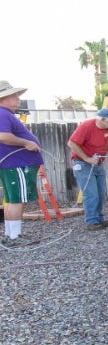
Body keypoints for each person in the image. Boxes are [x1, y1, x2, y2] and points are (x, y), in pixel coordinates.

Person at [0, 81, 43, 245]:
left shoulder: (5, 114)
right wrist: (26, 143)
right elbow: (2, 136)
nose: (18, 98)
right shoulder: (3, 114)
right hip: (16, 163)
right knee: (17, 199)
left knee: (11, 199)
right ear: (3, 98)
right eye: (14, 95)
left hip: (12, 163)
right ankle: (15, 237)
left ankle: (11, 235)